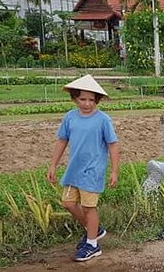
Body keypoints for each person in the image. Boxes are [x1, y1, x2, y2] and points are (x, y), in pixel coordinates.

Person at [47, 75, 119, 262]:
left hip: (93, 170)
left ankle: (92, 245)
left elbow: (113, 145)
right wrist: (53, 165)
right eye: (82, 99)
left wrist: (114, 170)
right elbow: (62, 140)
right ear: (74, 99)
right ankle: (94, 230)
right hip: (74, 169)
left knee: (89, 207)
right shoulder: (70, 117)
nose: (87, 104)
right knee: (68, 203)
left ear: (97, 100)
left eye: (91, 100)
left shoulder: (103, 120)